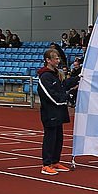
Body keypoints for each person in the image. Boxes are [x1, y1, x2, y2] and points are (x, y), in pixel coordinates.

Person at [37, 47, 80, 175]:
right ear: (48, 60)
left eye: (58, 58)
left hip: (59, 112)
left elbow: (64, 85)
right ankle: (46, 164)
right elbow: (51, 96)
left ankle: (55, 161)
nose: (58, 60)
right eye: (55, 58)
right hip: (50, 113)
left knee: (58, 138)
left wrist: (78, 78)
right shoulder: (45, 76)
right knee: (50, 138)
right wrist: (68, 96)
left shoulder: (56, 74)